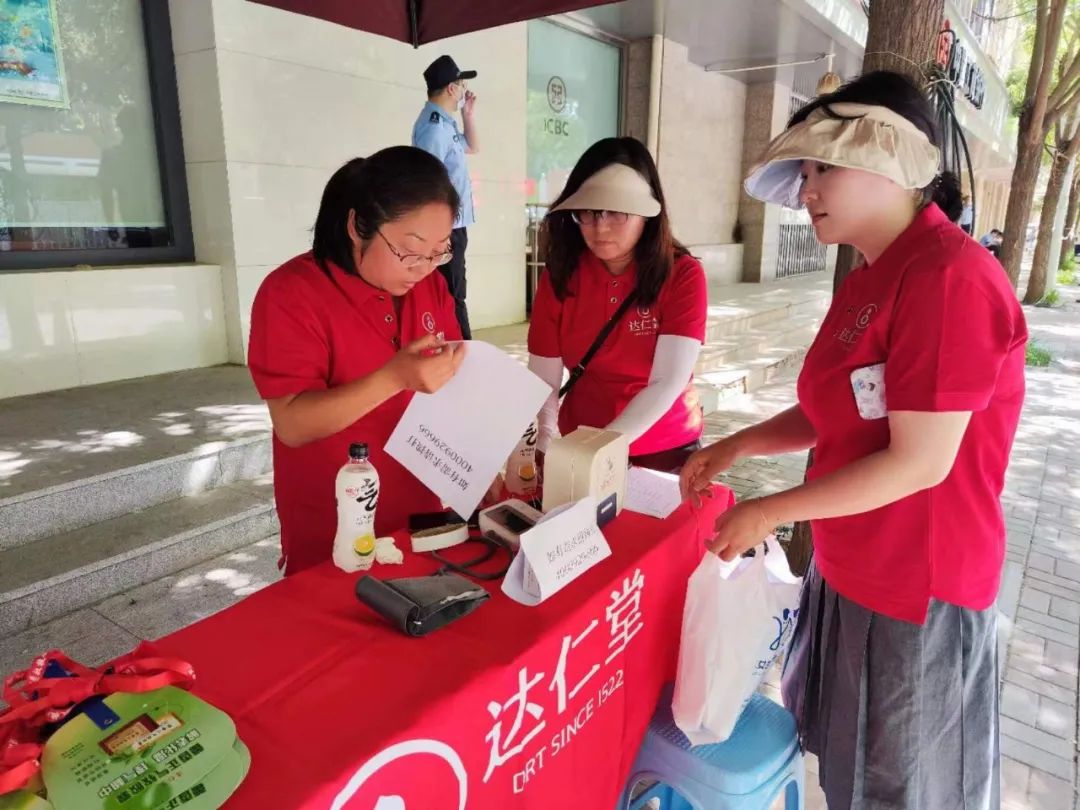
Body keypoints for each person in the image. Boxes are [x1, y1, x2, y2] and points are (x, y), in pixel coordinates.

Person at [681, 71, 1027, 808]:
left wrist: (770, 511)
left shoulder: (949, 278)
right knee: (849, 772)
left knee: (905, 788)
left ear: (890, 161)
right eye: (804, 173)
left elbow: (919, 461)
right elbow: (839, 410)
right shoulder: (872, 274)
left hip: (917, 586)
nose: (806, 190)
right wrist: (739, 445)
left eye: (823, 169)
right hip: (850, 567)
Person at [248, 147, 466, 575]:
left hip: (421, 519)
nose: (424, 268)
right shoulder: (291, 294)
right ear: (357, 226)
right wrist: (395, 377)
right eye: (410, 251)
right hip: (335, 527)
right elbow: (292, 423)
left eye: (440, 252)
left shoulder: (431, 288)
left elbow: (452, 385)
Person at [527, 137, 708, 475]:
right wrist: (544, 439)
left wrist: (598, 451)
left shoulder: (682, 275)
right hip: (579, 442)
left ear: (647, 214)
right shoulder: (562, 273)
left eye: (617, 212)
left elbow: (666, 381)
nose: (600, 226)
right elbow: (544, 376)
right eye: (589, 212)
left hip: (662, 447)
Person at [412, 55, 479, 339]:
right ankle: (463, 350)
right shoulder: (434, 129)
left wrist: (468, 116)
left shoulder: (444, 123)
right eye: (461, 84)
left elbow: (472, 146)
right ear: (451, 88)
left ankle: (457, 348)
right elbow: (427, 182)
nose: (464, 90)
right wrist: (440, 230)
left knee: (453, 291)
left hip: (454, 223)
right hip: (447, 227)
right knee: (452, 293)